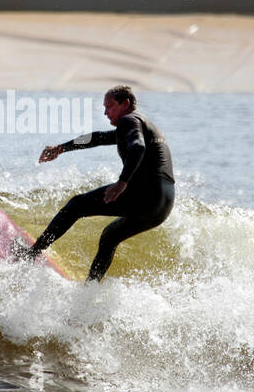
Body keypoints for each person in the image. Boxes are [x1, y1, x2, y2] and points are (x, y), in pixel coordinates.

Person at [23, 85, 175, 282]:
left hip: (147, 192)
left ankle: (30, 255)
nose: (105, 112)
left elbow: (138, 147)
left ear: (125, 104)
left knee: (76, 205)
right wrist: (61, 148)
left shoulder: (129, 120)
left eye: (110, 107)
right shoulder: (140, 125)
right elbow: (97, 138)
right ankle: (90, 289)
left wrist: (122, 182)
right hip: (163, 204)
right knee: (110, 236)